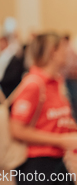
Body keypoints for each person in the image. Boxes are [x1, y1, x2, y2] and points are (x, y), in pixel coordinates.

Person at [10, 33, 77, 185]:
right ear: (53, 52)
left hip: (56, 161)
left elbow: (58, 120)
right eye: (63, 48)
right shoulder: (34, 84)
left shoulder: (56, 83)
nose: (68, 52)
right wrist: (61, 140)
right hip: (35, 164)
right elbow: (16, 130)